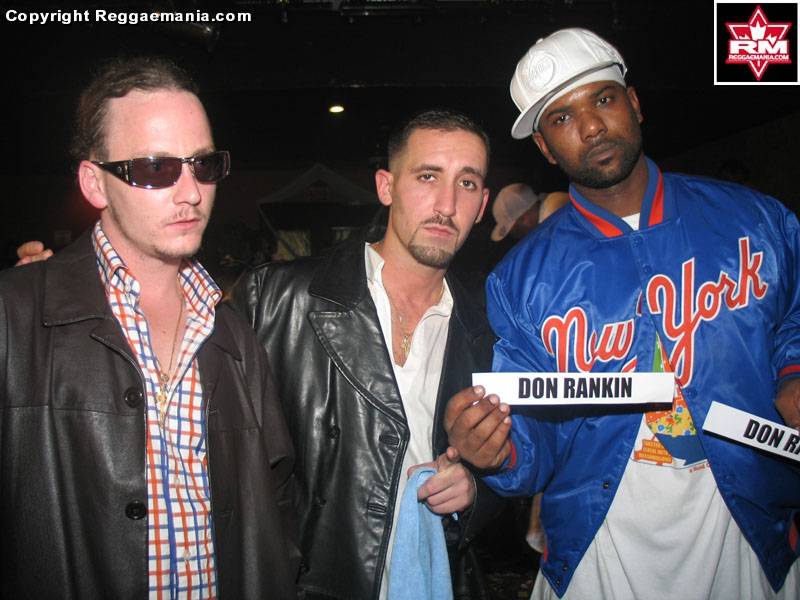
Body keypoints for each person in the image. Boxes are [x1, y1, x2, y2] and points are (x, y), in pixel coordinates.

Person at [445, 28, 800, 600]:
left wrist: (793, 371)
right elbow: (532, 427)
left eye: (603, 99)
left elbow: (793, 319)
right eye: (562, 118)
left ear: (633, 103)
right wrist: (499, 448)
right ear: (544, 147)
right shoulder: (521, 279)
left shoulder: (755, 221)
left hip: (750, 531)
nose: (590, 127)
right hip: (599, 551)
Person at [0, 56, 299, 598]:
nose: (191, 192)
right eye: (156, 168)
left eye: (203, 165)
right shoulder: (16, 317)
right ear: (95, 184)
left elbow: (276, 503)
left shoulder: (232, 333)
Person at [232, 109, 501, 599]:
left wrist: (475, 489)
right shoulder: (276, 300)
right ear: (386, 186)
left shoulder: (490, 327)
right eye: (428, 177)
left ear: (482, 205)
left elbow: (516, 470)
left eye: (466, 183)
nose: (446, 204)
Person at [490, 183, 569, 243]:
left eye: (517, 231)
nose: (521, 238)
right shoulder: (554, 200)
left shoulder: (551, 224)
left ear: (523, 219)